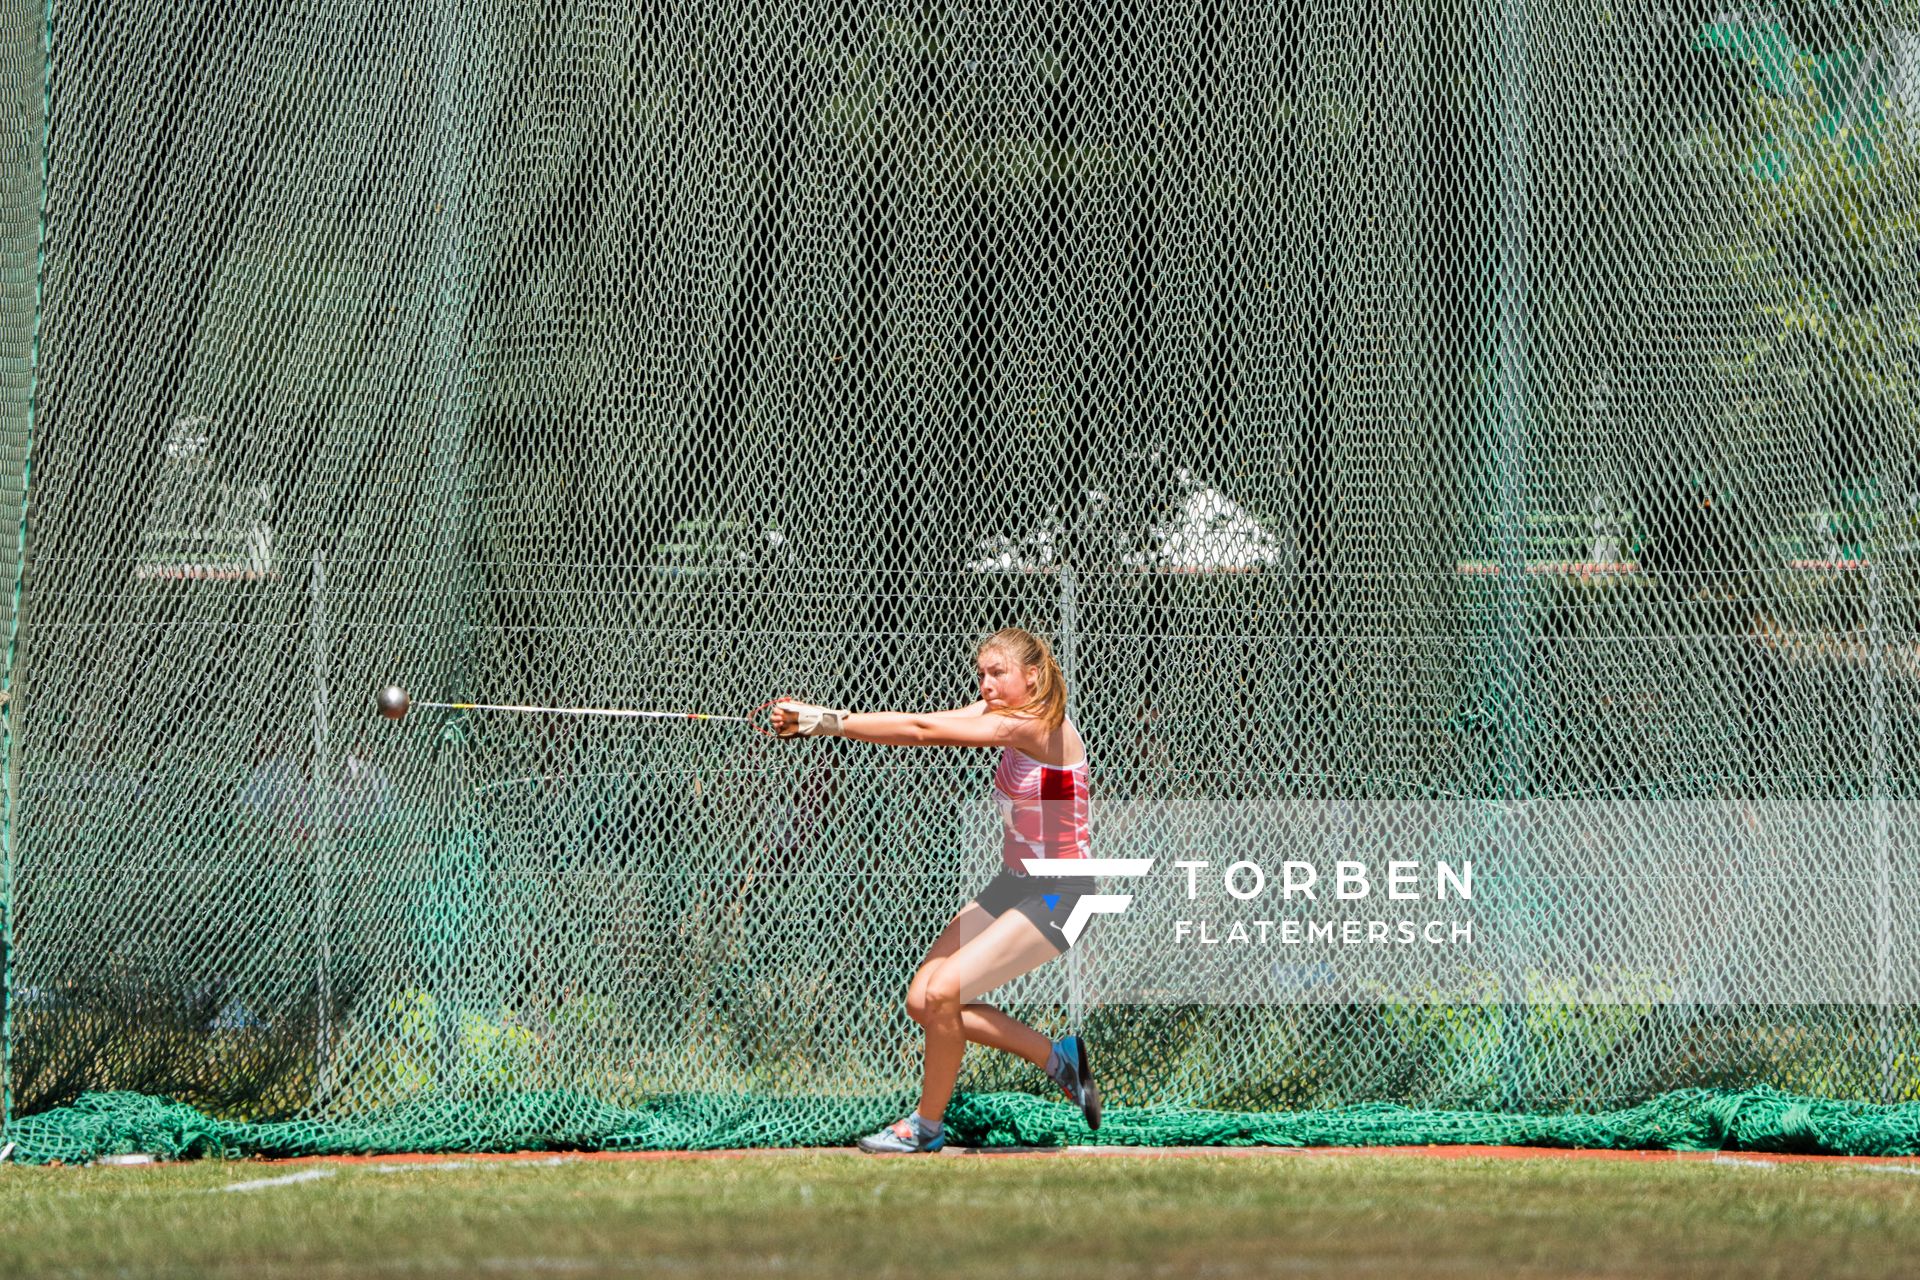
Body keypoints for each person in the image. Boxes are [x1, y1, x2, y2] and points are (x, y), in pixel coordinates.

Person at [771, 627, 1102, 1155]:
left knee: (945, 992)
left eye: (998, 673)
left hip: (1061, 895)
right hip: (1012, 886)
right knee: (923, 999)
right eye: (982, 673)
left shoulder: (1037, 724)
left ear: (1032, 678)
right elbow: (923, 724)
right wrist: (824, 721)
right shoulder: (999, 713)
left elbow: (924, 729)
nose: (986, 683)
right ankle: (1057, 1058)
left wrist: (825, 721)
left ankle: (925, 1127)